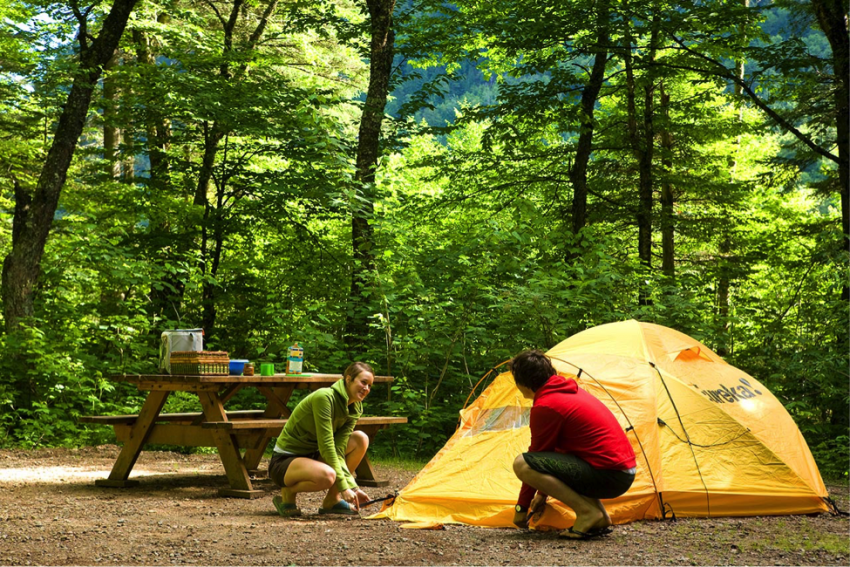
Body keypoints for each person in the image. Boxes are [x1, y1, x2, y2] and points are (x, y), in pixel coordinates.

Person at [509, 350, 636, 540]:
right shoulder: (568, 391)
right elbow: (553, 456)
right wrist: (542, 495)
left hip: (610, 474)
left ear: (522, 382)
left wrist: (522, 506)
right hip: (621, 472)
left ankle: (586, 513)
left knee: (522, 463)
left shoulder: (546, 405)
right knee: (556, 461)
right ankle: (599, 517)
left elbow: (536, 456)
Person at [268, 361, 374, 517]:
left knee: (360, 439)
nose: (366, 389)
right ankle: (288, 493)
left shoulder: (355, 407)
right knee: (328, 476)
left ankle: (332, 500)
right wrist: (345, 487)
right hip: (285, 461)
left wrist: (353, 487)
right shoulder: (324, 397)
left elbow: (338, 448)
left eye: (370, 385)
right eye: (363, 382)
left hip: (314, 456)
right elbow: (327, 445)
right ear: (348, 379)